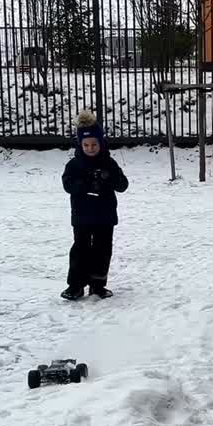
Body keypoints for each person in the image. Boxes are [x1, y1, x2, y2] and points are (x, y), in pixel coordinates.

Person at [61, 110, 128, 300]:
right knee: (80, 250)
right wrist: (84, 184)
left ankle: (98, 285)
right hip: (82, 216)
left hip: (104, 216)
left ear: (101, 143)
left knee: (102, 250)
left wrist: (109, 177)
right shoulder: (74, 165)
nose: (90, 148)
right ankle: (75, 286)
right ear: (80, 145)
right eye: (86, 145)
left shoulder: (109, 163)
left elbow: (123, 185)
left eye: (94, 144)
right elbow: (67, 184)